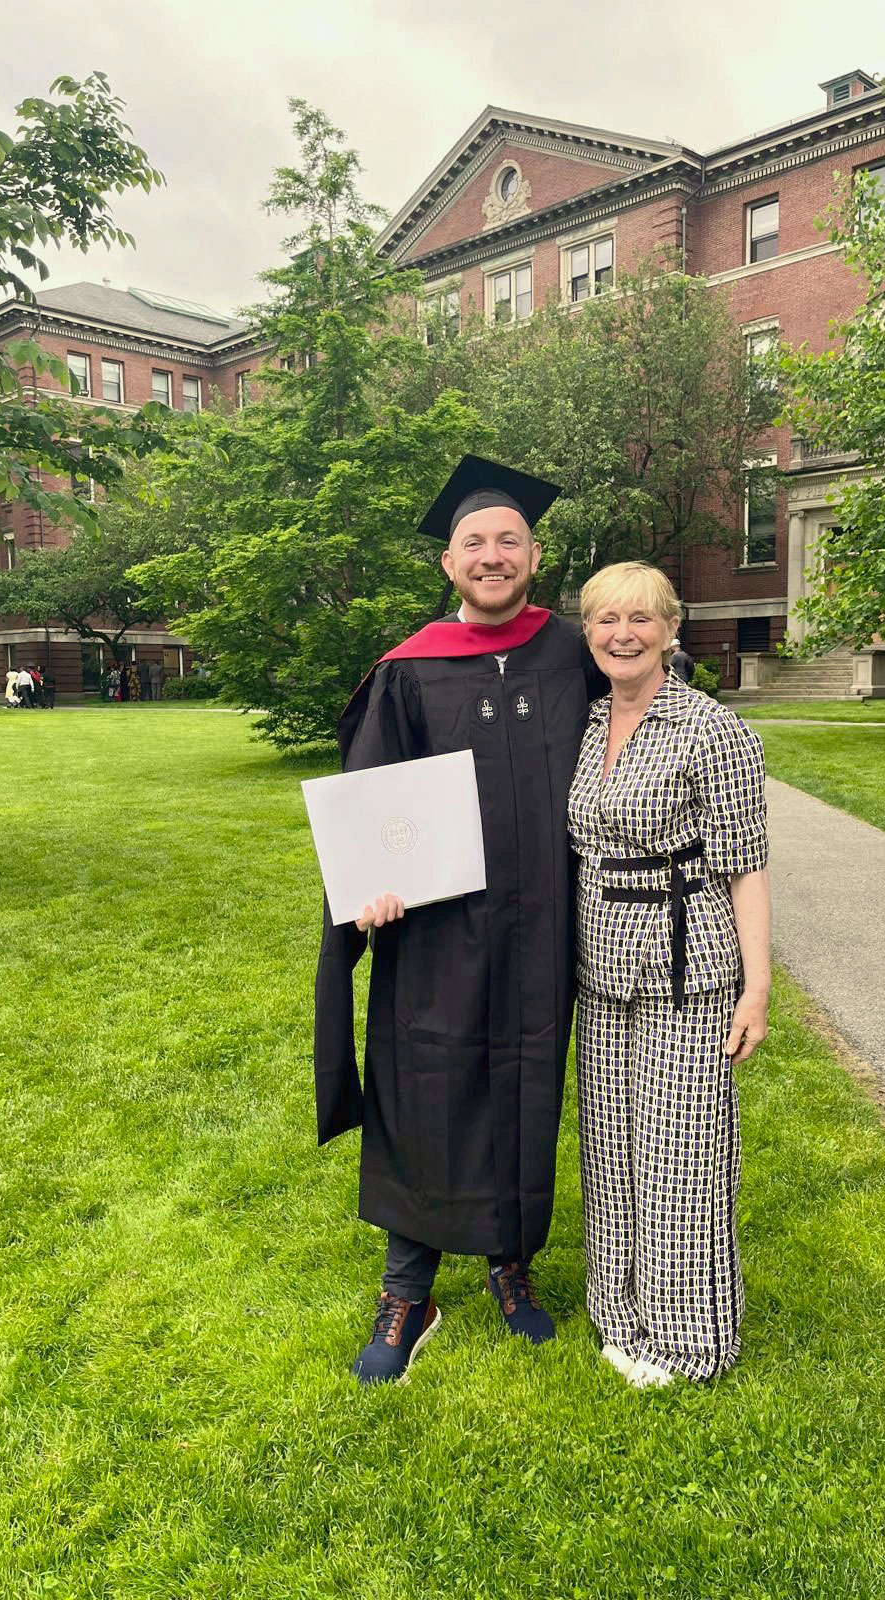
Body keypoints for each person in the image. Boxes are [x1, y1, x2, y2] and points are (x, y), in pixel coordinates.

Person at [314, 455, 604, 1386]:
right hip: (437, 931)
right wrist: (371, 889)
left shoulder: (574, 653)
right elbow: (370, 804)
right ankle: (409, 1291)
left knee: (525, 1084)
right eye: (474, 543)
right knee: (426, 1088)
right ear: (448, 563)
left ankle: (510, 1267)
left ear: (536, 555)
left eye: (508, 541)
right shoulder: (411, 670)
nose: (492, 556)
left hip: (543, 929)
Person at [568, 562, 770, 1389]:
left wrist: (756, 988)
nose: (623, 633)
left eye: (641, 619)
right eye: (607, 619)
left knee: (680, 1150)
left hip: (688, 966)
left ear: (670, 627)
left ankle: (689, 1341)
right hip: (600, 964)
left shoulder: (711, 731)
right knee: (611, 1146)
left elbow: (745, 866)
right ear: (588, 633)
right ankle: (620, 1312)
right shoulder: (584, 724)